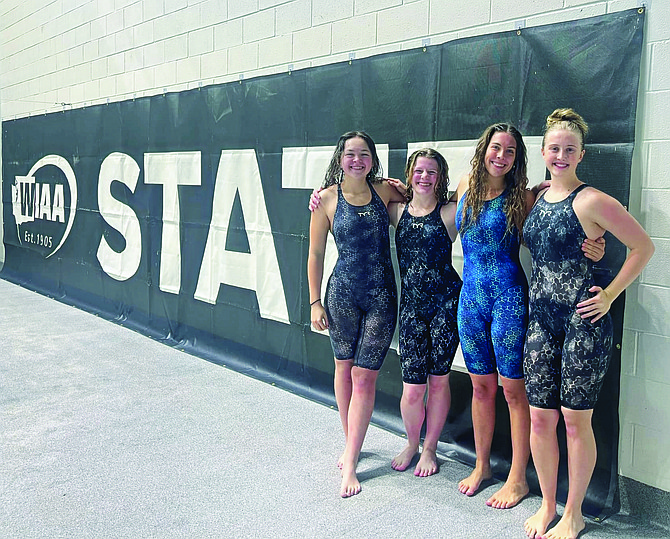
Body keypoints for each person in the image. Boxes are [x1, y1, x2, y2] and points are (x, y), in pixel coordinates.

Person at [453, 123, 606, 509]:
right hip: (469, 302)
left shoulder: (525, 199)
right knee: (481, 387)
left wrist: (596, 246)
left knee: (513, 391)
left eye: (509, 151)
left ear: (518, 158)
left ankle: (518, 478)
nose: (500, 156)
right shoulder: (463, 191)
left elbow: (563, 232)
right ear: (483, 149)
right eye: (495, 148)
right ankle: (483, 465)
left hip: (509, 300)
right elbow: (414, 196)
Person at [522, 109, 654, 539]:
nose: (561, 156)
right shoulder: (537, 196)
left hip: (583, 324)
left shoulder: (592, 200)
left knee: (575, 420)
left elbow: (643, 247)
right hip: (540, 323)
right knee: (540, 418)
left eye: (569, 150)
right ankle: (547, 504)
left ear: (582, 154)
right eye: (554, 148)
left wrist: (610, 295)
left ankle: (573, 512)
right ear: (543, 151)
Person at [307, 131, 405, 498]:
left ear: (373, 158)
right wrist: (315, 302)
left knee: (365, 377)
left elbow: (426, 197)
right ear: (340, 158)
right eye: (351, 154)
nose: (358, 160)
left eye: (365, 154)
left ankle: (349, 463)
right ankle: (352, 444)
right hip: (342, 295)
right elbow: (315, 254)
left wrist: (402, 184)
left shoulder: (384, 191)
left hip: (381, 296)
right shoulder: (326, 200)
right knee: (343, 367)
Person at [387, 149, 461, 477]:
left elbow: (479, 185)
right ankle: (411, 442)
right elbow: (359, 190)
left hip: (446, 305)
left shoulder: (449, 212)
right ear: (409, 174)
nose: (425, 177)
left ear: (440, 177)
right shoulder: (396, 210)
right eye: (419, 171)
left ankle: (430, 447)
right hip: (412, 309)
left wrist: (542, 187)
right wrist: (321, 193)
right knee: (413, 388)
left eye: (432, 172)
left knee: (439, 380)